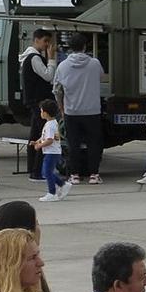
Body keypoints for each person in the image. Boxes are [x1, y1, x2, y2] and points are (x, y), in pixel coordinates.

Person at [53, 32, 105, 183]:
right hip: (92, 110)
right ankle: (94, 174)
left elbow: (57, 90)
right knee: (94, 143)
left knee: (73, 144)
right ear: (85, 46)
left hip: (71, 111)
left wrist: (62, 109)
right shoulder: (94, 64)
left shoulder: (63, 66)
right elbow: (101, 77)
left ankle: (74, 174)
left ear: (69, 47)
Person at [21, 28, 57, 181]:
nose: (47, 45)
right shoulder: (34, 58)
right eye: (45, 41)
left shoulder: (28, 57)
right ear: (36, 40)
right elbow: (48, 76)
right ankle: (37, 171)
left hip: (33, 100)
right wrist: (52, 59)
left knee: (35, 135)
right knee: (44, 136)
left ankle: (33, 168)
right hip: (38, 101)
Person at [33, 99, 69, 202]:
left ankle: (52, 193)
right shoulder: (52, 123)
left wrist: (39, 146)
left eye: (41, 111)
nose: (40, 113)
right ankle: (63, 184)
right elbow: (45, 137)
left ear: (45, 113)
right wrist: (37, 141)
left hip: (51, 152)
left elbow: (49, 140)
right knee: (47, 172)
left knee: (46, 172)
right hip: (53, 152)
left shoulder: (49, 125)